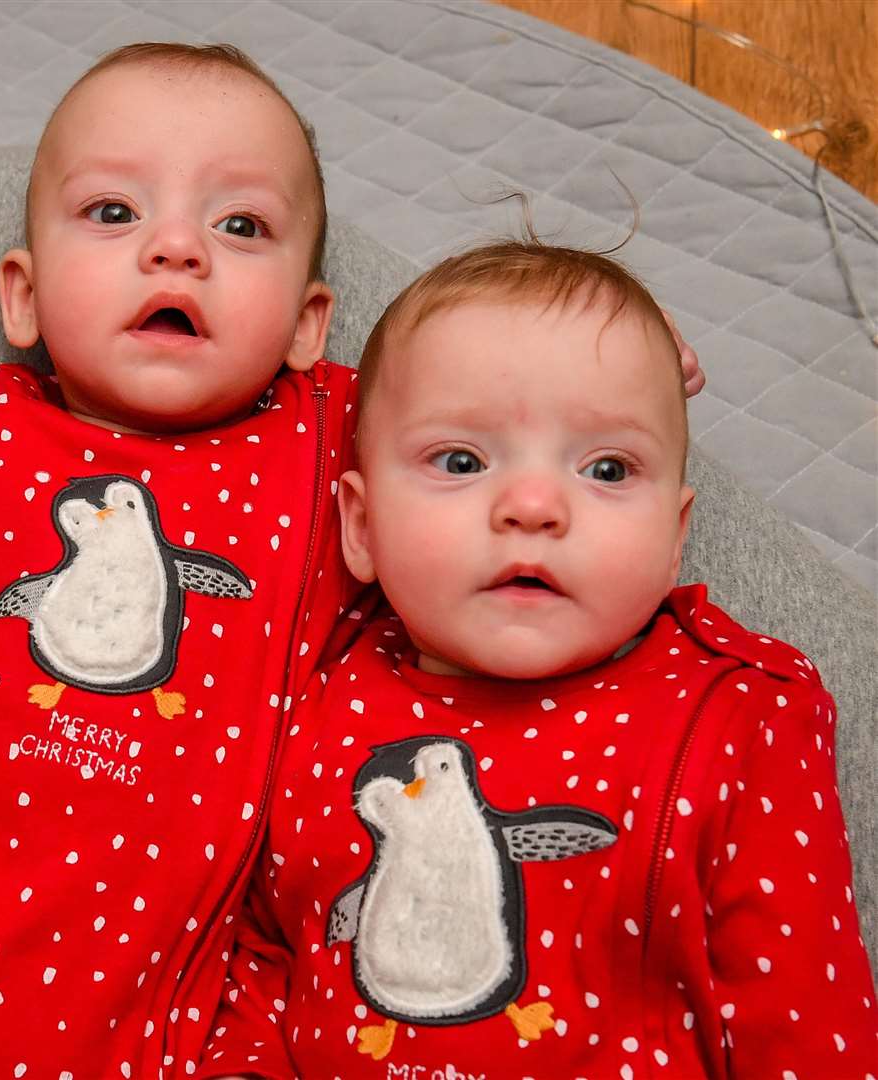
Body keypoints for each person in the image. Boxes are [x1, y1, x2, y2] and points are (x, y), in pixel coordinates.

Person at [0, 44, 705, 1078]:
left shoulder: (332, 445)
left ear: (306, 324)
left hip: (158, 991)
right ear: (24, 298)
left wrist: (589, 382)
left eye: (240, 226)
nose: (176, 248)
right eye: (115, 213)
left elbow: (470, 408)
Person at [198, 241, 878, 1078]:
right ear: (362, 528)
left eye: (606, 467)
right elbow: (265, 956)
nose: (532, 506)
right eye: (461, 461)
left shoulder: (740, 718)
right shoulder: (319, 700)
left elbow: (807, 1027)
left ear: (675, 535)